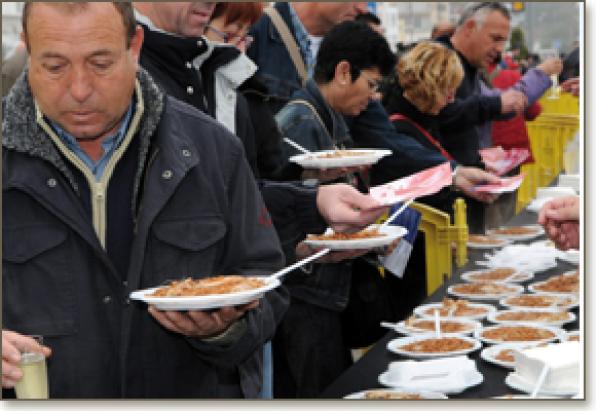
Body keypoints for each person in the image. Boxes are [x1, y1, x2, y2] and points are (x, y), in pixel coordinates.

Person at [2, 1, 288, 399]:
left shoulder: (213, 151)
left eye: (100, 63)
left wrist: (226, 328)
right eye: (55, 67)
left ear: (134, 46)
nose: (80, 89)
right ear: (27, 49)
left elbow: (268, 286)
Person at [272, 21, 396, 399]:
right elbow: (278, 215)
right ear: (344, 72)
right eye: (372, 84)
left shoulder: (329, 115)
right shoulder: (298, 121)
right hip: (305, 297)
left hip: (325, 292)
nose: (374, 98)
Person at [382, 41, 500, 213]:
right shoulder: (397, 127)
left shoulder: (427, 115)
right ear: (430, 87)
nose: (452, 99)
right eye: (448, 90)